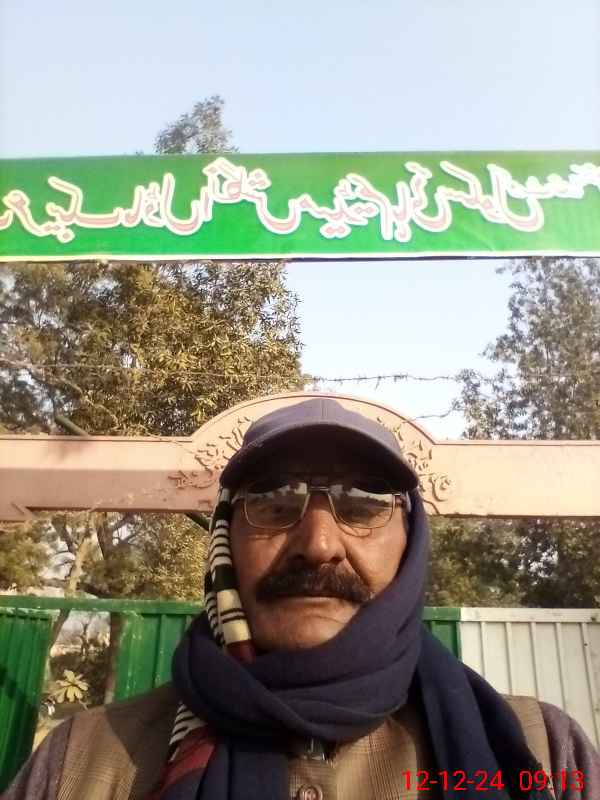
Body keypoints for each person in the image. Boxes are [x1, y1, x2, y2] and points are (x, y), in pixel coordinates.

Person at [4, 398, 600, 800]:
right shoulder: (83, 764)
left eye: (363, 504)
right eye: (273, 502)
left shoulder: (542, 752)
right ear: (225, 541)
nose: (318, 546)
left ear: (411, 539)